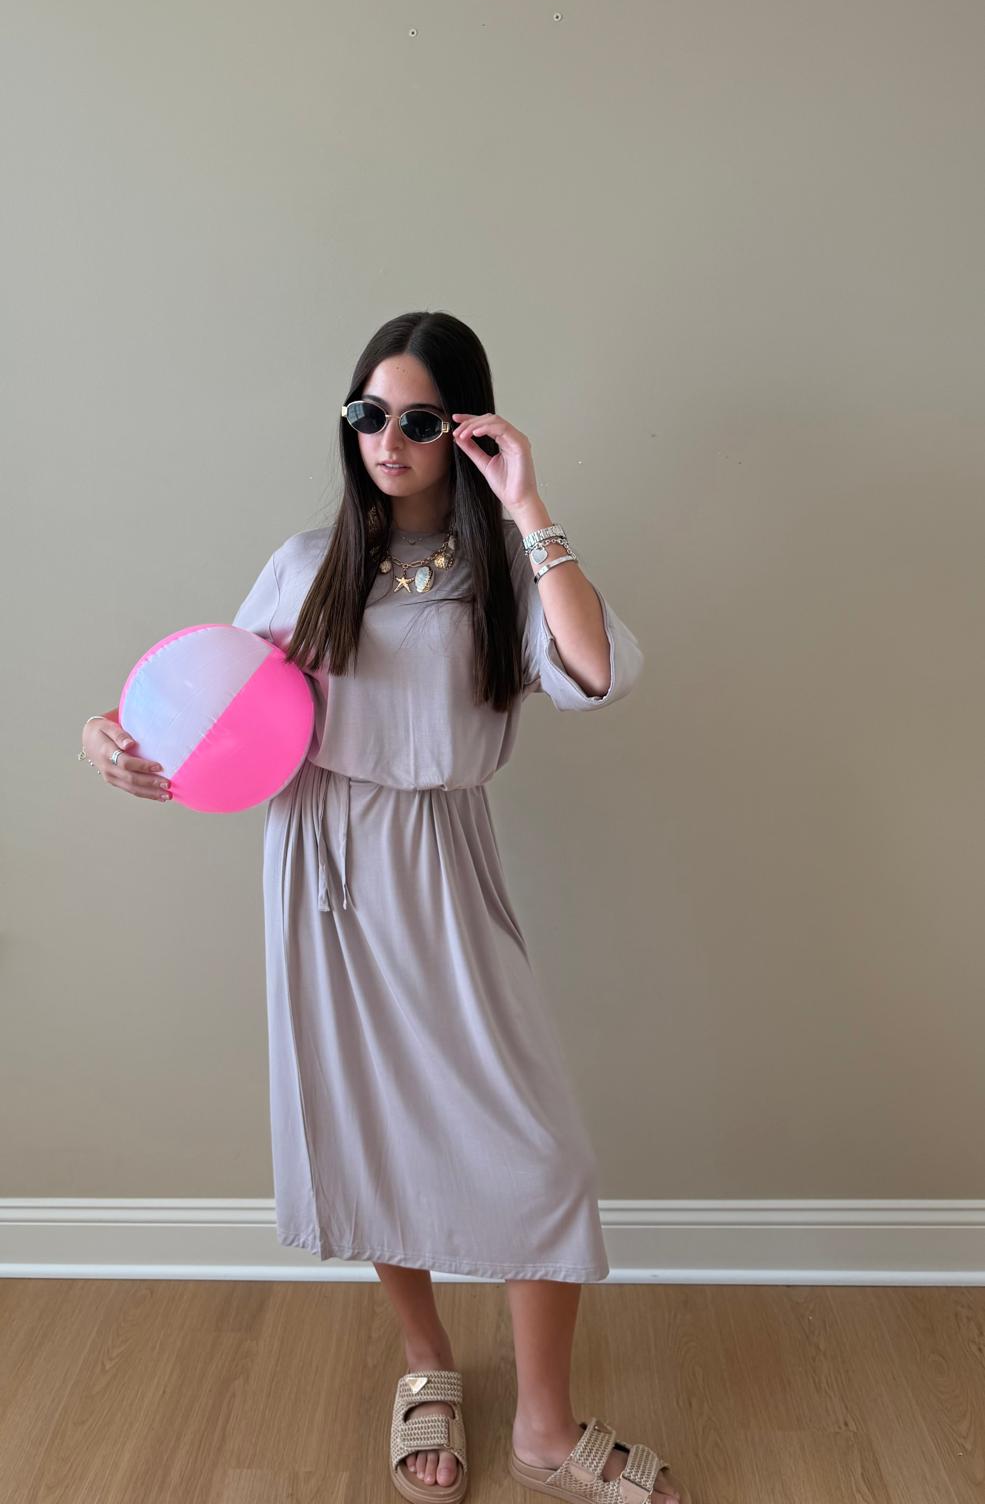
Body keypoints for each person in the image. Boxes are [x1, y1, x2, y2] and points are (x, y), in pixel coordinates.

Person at [79, 311, 688, 1504]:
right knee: (363, 1124)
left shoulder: (505, 577)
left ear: (460, 428)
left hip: (441, 861)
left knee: (539, 1148)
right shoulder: (306, 565)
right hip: (319, 868)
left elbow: (599, 672)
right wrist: (104, 736)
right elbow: (207, 706)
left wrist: (528, 507)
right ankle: (425, 1362)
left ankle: (546, 1429)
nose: (386, 440)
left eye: (417, 419)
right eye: (367, 414)